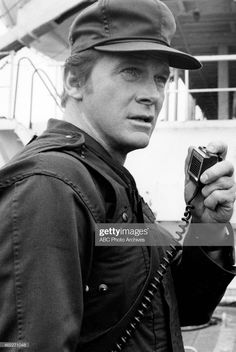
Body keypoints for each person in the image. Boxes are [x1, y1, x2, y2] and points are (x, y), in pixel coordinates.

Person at [0, 0, 235, 351]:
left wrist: (208, 225)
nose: (152, 95)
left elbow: (173, 308)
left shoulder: (111, 184)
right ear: (74, 81)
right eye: (131, 72)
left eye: (161, 79)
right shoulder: (48, 188)